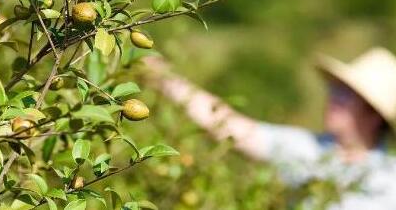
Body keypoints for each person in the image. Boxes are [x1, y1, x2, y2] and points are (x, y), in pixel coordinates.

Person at [144, 47, 396, 209]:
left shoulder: (389, 180)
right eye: (335, 90)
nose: (333, 98)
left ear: (373, 113)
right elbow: (230, 127)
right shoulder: (306, 148)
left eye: (345, 95)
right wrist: (163, 77)